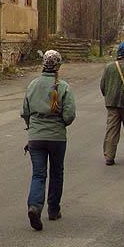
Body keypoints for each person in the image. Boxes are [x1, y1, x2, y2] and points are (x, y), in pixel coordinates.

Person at [20, 50, 77, 231]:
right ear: (58, 66)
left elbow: (25, 112)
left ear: (43, 64)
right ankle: (53, 209)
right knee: (57, 172)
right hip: (57, 137)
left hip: (36, 137)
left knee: (39, 174)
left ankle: (35, 206)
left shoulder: (32, 85)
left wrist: (32, 126)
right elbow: (69, 115)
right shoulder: (64, 87)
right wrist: (60, 123)